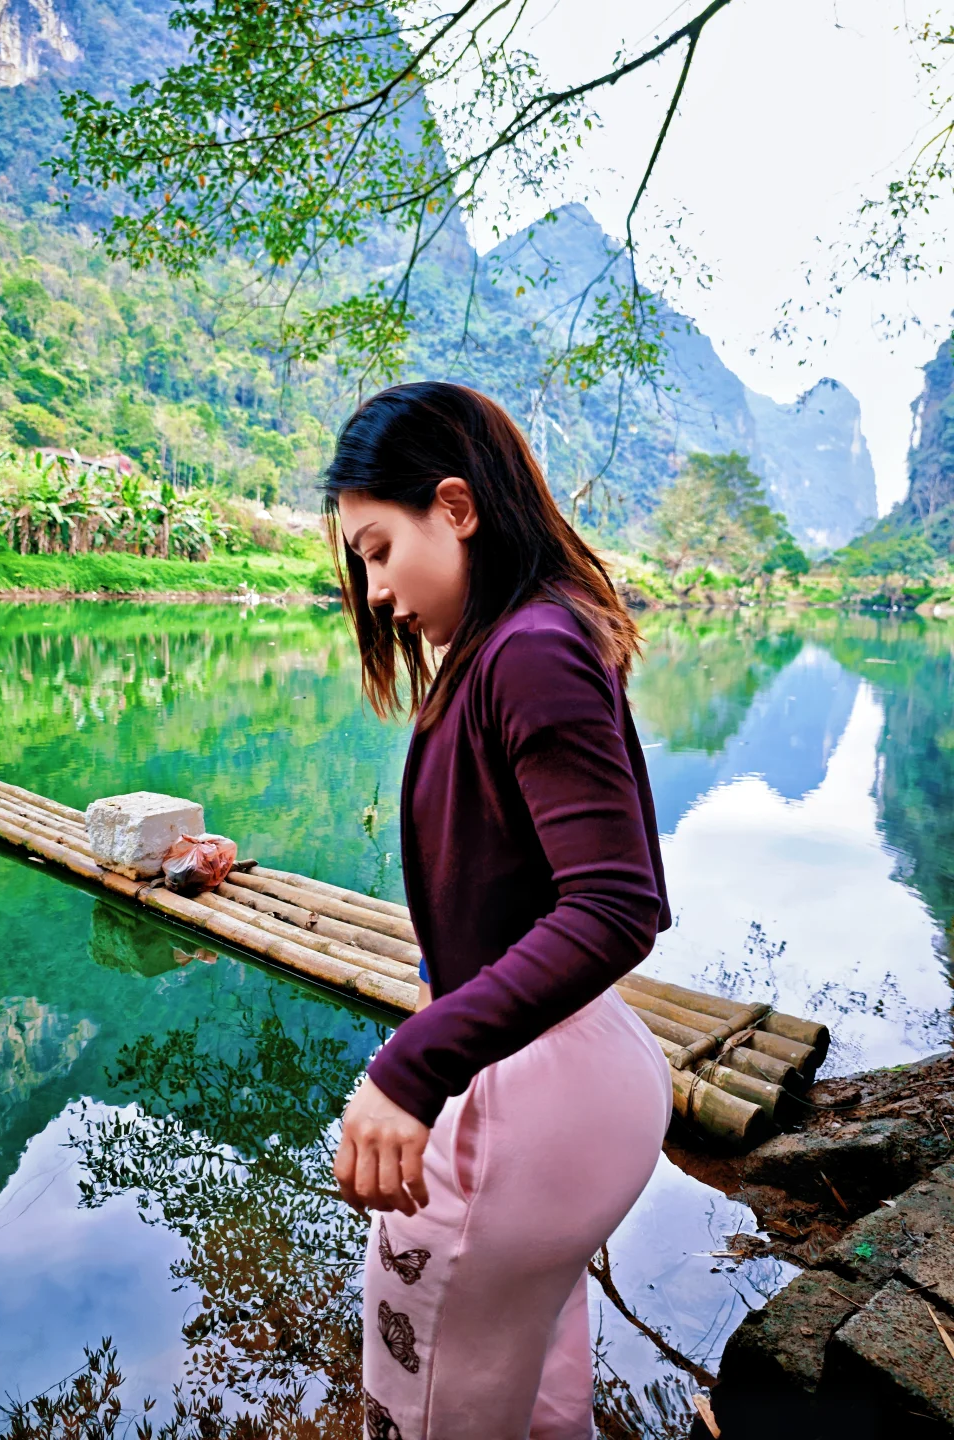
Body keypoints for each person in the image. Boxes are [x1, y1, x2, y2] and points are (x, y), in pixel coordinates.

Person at [324, 381, 673, 1440]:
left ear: (457, 507)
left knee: (430, 1403)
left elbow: (616, 904)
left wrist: (411, 1066)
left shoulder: (528, 650)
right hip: (568, 1071)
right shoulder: (520, 643)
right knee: (541, 1388)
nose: (377, 593)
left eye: (380, 551)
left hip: (529, 1096)